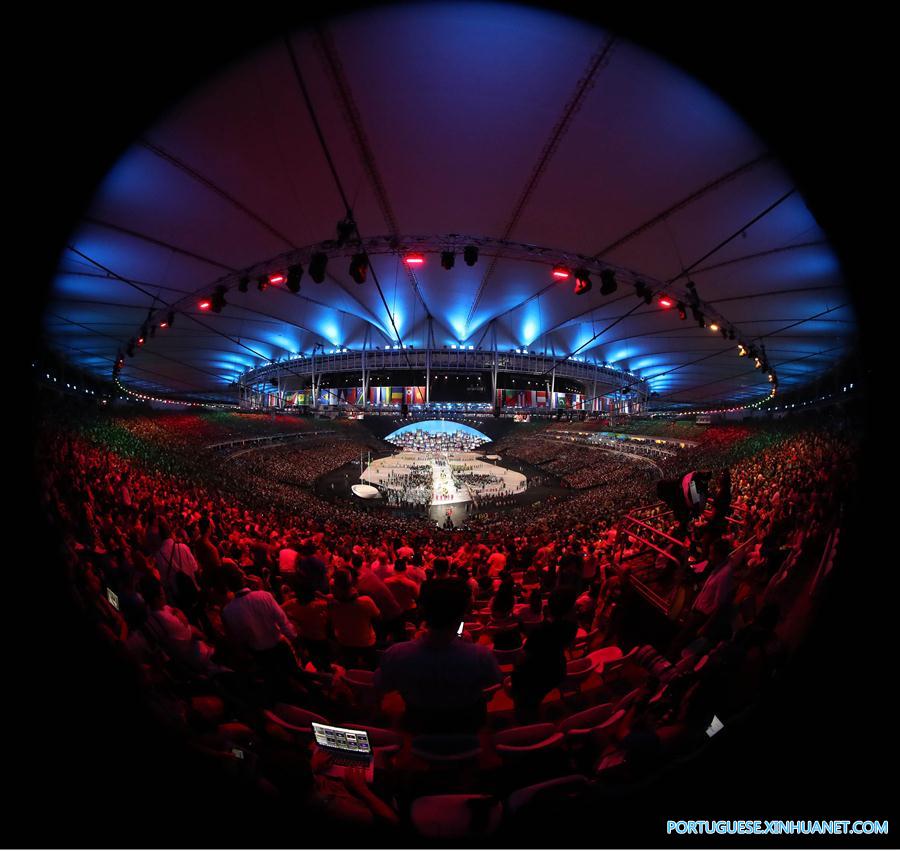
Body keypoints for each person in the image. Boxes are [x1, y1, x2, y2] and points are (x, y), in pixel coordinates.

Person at [375, 581, 502, 733]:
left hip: (419, 726)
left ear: (422, 612)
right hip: (467, 726)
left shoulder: (396, 654)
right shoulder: (482, 655)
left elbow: (380, 685)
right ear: (462, 615)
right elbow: (494, 681)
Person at [510, 586, 578, 723]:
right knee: (536, 698)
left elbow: (523, 658)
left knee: (527, 702)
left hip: (536, 675)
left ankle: (528, 721)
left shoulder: (540, 631)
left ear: (549, 606)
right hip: (556, 669)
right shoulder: (572, 627)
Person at [221, 566, 299, 679]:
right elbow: (283, 621)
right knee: (295, 676)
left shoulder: (228, 611)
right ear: (243, 579)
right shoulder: (264, 596)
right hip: (279, 646)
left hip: (259, 655)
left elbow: (238, 639)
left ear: (227, 586)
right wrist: (294, 638)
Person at [328, 569, 380, 669]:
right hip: (366, 643)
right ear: (351, 585)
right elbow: (378, 618)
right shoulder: (365, 602)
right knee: (373, 668)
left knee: (349, 668)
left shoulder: (331, 603)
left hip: (344, 643)